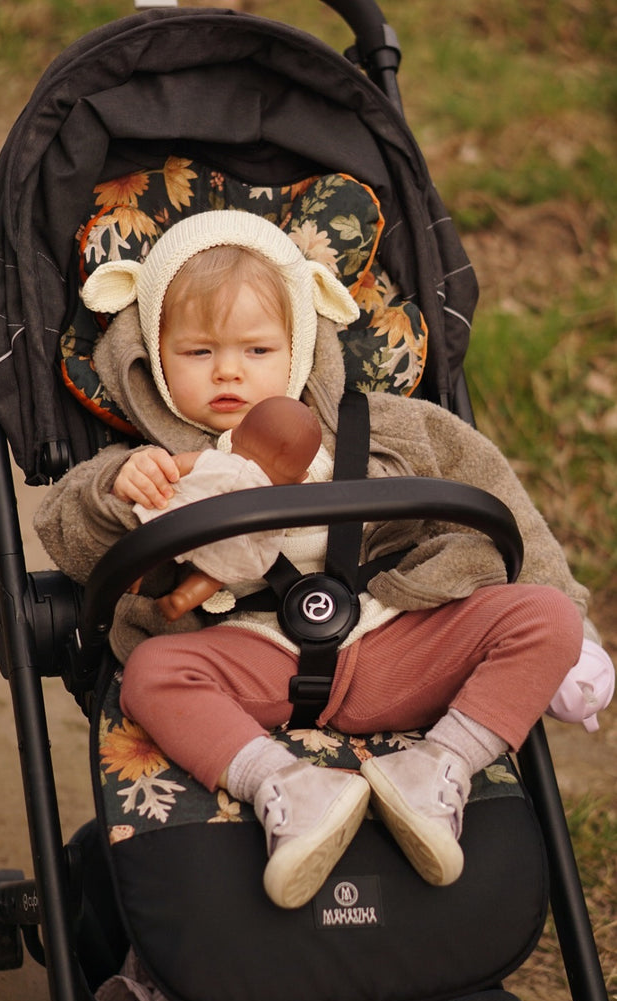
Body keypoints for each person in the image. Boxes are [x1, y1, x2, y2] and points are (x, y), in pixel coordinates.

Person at [35, 209, 613, 910]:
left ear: (300, 345)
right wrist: (112, 492)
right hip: (253, 655)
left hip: (392, 636)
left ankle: (438, 769)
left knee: (543, 618)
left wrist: (571, 627)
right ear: (153, 357)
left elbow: (501, 500)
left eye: (256, 351)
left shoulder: (386, 429)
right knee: (152, 675)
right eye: (197, 353)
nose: (228, 372)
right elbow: (65, 532)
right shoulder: (150, 465)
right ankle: (290, 787)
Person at [132, 395, 322, 622]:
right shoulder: (277, 500)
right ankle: (182, 599)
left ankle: (132, 574)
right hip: (237, 546)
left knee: (149, 543)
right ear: (301, 477)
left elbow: (176, 467)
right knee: (214, 576)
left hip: (187, 519)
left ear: (233, 435)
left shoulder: (214, 460)